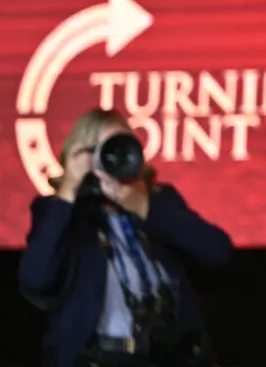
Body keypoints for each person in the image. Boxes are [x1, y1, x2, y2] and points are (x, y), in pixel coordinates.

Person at [18, 108, 233, 367]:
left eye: (121, 147)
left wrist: (144, 207)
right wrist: (68, 192)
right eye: (102, 151)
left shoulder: (159, 201)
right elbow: (36, 280)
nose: (113, 160)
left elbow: (218, 253)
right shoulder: (61, 213)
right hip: (98, 358)